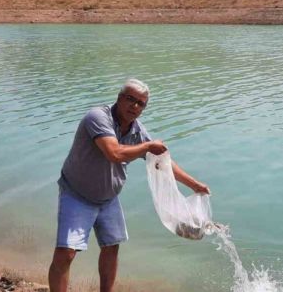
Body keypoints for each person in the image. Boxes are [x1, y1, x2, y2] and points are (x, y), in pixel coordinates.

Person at [48, 78, 210, 292]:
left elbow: (164, 163)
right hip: (78, 194)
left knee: (111, 247)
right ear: (119, 98)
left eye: (140, 103)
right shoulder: (97, 117)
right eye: (130, 99)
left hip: (108, 198)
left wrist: (195, 185)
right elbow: (113, 153)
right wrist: (147, 147)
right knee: (66, 252)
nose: (134, 106)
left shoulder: (137, 131)